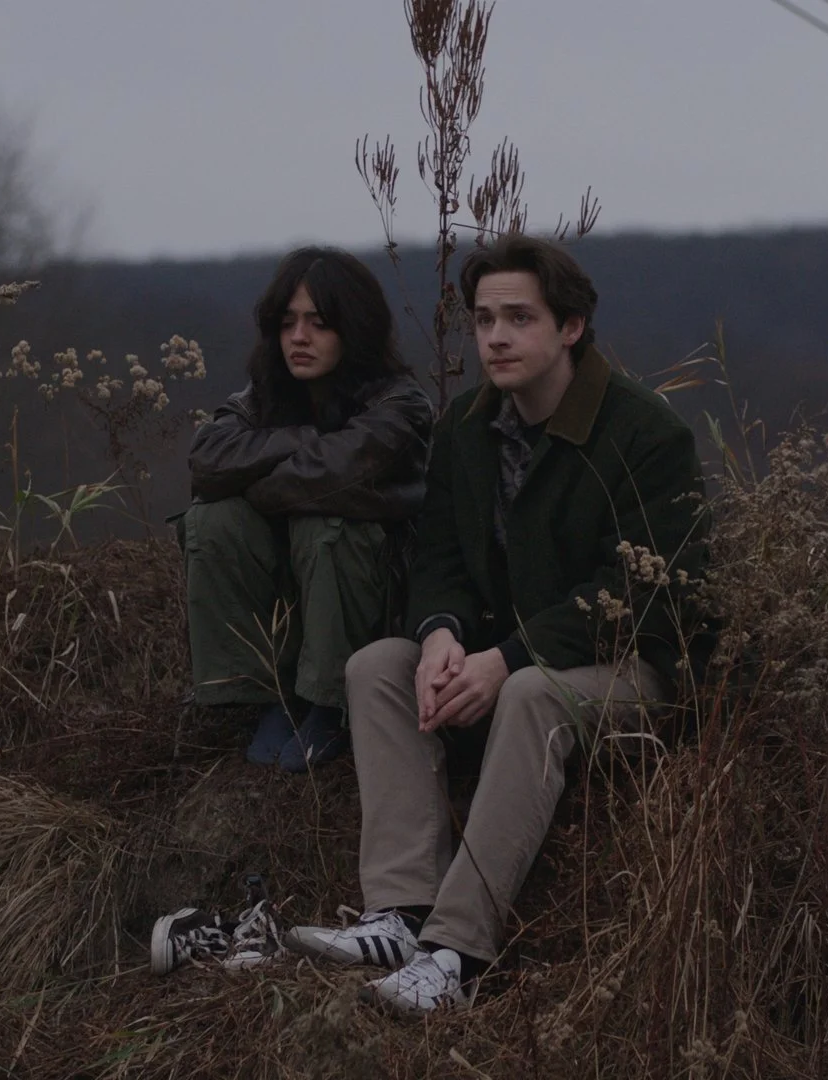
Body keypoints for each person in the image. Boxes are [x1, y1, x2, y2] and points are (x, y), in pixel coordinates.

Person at [284, 235, 711, 1011]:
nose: (496, 337)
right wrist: (443, 635)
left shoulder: (647, 435)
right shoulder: (468, 430)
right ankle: (400, 912)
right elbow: (439, 556)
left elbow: (651, 592)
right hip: (506, 655)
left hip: (628, 672)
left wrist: (508, 658)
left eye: (519, 317)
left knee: (530, 696)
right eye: (483, 320)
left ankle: (454, 953)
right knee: (378, 665)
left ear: (570, 327)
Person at [183, 248, 433, 772]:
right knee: (214, 519)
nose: (299, 337)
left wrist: (255, 475)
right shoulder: (263, 396)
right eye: (289, 322)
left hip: (378, 597)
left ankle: (329, 702)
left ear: (354, 329)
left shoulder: (399, 405)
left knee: (324, 521)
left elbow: (323, 480)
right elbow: (207, 460)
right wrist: (307, 435)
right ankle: (266, 691)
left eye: (319, 323)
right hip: (295, 590)